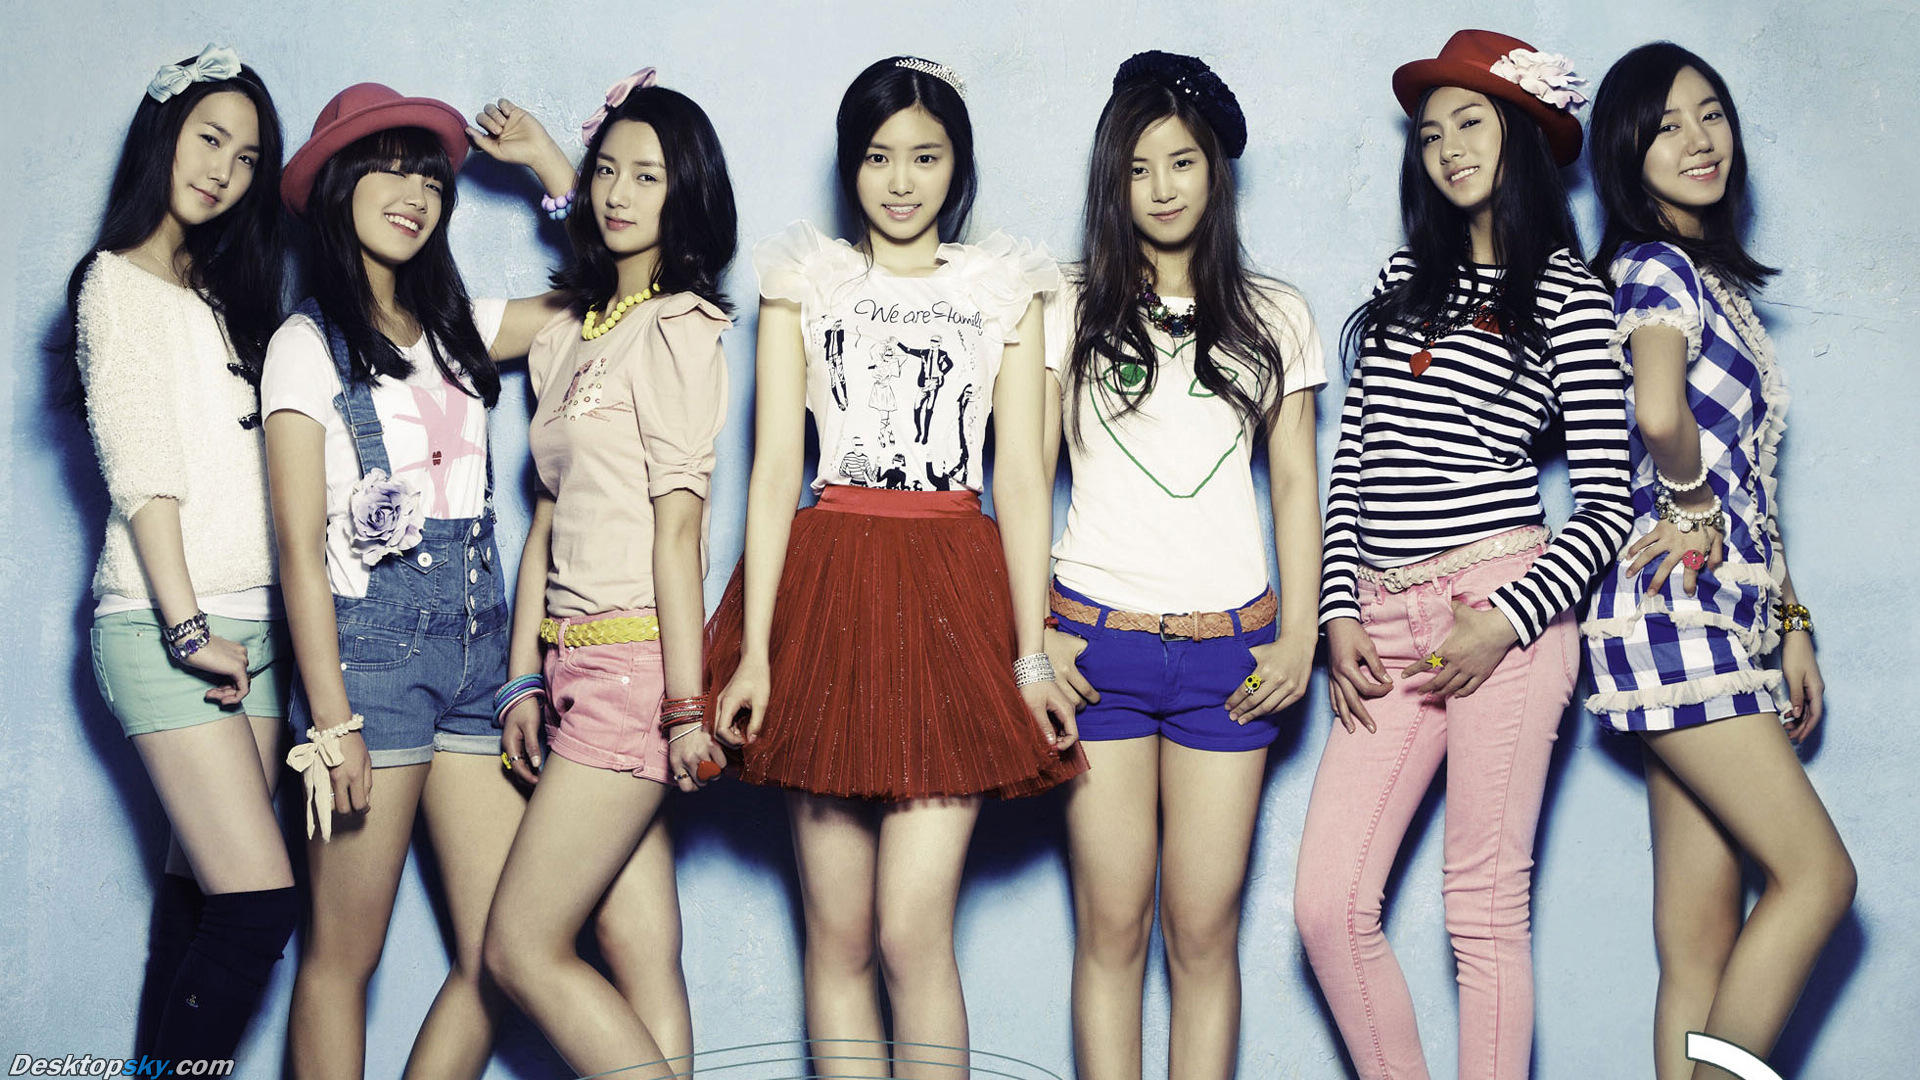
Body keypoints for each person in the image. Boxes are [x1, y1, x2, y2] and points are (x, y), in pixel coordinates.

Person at [703, 55, 1084, 1079]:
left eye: (926, 156)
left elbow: (1023, 479)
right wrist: (755, 654)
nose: (902, 180)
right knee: (839, 938)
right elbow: (774, 469)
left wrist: (1032, 658)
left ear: (958, 165)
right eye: (878, 157)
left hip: (952, 583)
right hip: (828, 584)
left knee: (913, 934)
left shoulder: (1003, 287)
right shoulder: (805, 281)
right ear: (850, 166)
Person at [1295, 30, 1635, 1080]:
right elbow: (1351, 459)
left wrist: (1507, 621)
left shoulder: (1569, 293)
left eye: (1470, 124)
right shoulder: (1404, 279)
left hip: (1499, 608)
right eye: (1430, 133)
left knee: (1480, 912)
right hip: (1381, 623)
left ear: (1521, 135)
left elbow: (1606, 505)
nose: (1447, 149)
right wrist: (1336, 611)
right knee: (1328, 907)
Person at [262, 81, 565, 1079]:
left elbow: (605, 302)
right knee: (342, 958)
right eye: (390, 172)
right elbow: (298, 550)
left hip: (481, 656)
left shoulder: (460, 325)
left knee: (503, 953)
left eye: (430, 180)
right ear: (337, 186)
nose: (415, 195)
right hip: (371, 663)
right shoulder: (304, 347)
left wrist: (552, 168)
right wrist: (332, 720)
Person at [1039, 51, 1324, 1080]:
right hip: (1093, 650)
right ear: (1111, 182)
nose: (1161, 187)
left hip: (1230, 658)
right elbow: (1020, 482)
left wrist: (1300, 635)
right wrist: (1029, 639)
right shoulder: (1063, 306)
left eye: (1182, 162)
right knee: (1111, 928)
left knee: (1203, 935)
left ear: (1215, 172)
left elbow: (1296, 487)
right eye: (1138, 168)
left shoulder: (1277, 313)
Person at [1583, 42, 1854, 1080]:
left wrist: (1791, 624)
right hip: (1673, 614)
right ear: (1627, 153)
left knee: (1697, 944)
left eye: (1711, 115)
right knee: (1819, 880)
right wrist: (1691, 504)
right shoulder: (1656, 268)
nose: (1699, 140)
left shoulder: (1707, 278)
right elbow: (1662, 416)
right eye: (1665, 127)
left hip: (1717, 615)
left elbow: (1752, 490)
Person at [465, 71, 737, 1079]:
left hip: (636, 671)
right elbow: (544, 518)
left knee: (519, 949)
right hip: (570, 663)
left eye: (648, 176)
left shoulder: (678, 328)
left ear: (687, 193)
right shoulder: (570, 336)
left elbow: (680, 529)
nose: (620, 192)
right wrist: (522, 678)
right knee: (635, 947)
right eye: (607, 171)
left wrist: (684, 706)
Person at [67, 44, 296, 1064]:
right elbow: (144, 475)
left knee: (203, 898)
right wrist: (187, 626)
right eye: (209, 139)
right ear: (163, 133)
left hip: (254, 624)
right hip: (171, 626)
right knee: (257, 906)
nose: (223, 171)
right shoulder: (114, 283)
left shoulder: (220, 294)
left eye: (247, 159)